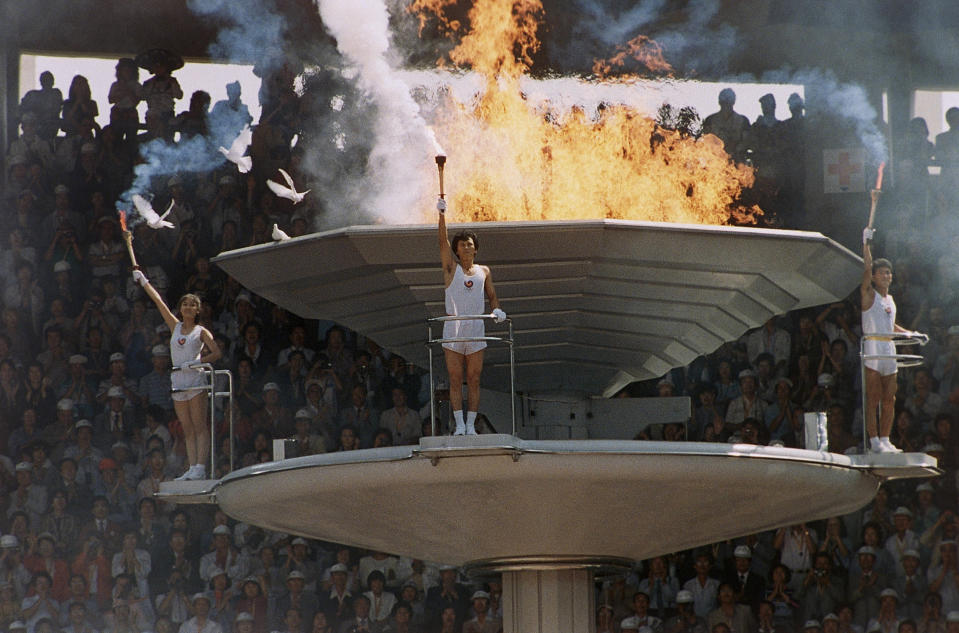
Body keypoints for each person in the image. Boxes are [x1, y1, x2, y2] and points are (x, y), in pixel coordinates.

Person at [133, 270, 221, 480]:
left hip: (195, 380)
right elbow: (158, 301)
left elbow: (217, 352)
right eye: (184, 304)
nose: (188, 307)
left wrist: (198, 361)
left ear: (197, 309)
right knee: (187, 428)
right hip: (178, 381)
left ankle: (201, 466)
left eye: (192, 304)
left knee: (200, 426)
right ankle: (192, 467)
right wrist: (143, 280)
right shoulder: (175, 326)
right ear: (181, 309)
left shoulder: (201, 331)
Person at [436, 197, 505, 436]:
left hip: (476, 328)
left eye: (469, 244)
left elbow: (492, 295)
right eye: (462, 244)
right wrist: (442, 215)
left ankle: (472, 426)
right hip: (453, 328)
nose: (466, 247)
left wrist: (496, 310)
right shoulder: (451, 269)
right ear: (456, 250)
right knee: (455, 379)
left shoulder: (484, 271)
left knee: (474, 379)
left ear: (475, 248)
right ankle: (460, 426)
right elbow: (442, 242)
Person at [861, 207, 926, 454]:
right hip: (873, 346)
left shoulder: (890, 300)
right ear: (875, 277)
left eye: (889, 272)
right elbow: (866, 270)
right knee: (874, 397)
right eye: (882, 272)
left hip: (888, 345)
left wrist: (910, 334)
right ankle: (874, 440)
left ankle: (886, 439)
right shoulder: (869, 296)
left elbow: (891, 326)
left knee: (890, 397)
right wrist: (866, 243)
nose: (887, 275)